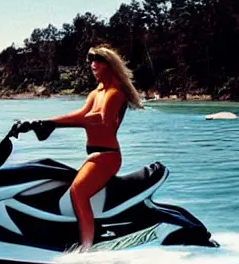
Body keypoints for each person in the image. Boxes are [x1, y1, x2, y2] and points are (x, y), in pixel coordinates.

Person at [12, 45, 144, 250]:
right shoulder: (95, 93)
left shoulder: (115, 93)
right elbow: (83, 115)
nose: (92, 65)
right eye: (90, 60)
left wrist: (51, 123)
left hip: (107, 156)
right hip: (94, 155)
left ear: (109, 65)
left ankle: (86, 248)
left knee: (78, 192)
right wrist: (43, 123)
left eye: (97, 60)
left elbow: (100, 119)